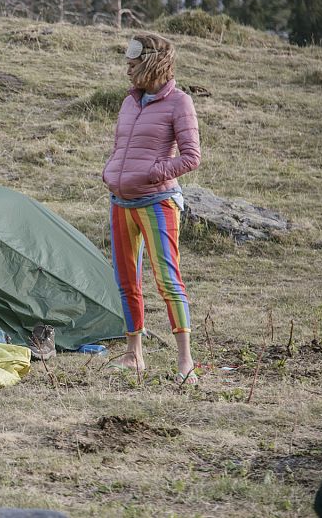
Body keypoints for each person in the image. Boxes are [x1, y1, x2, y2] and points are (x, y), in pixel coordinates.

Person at [101, 33, 201, 384]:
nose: (127, 70)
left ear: (152, 63)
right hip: (120, 201)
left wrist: (154, 173)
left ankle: (186, 362)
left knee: (167, 280)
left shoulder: (180, 103)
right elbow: (120, 146)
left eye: (133, 63)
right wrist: (111, 171)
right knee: (126, 280)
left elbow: (191, 157)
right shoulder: (129, 102)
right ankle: (134, 355)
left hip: (158, 202)